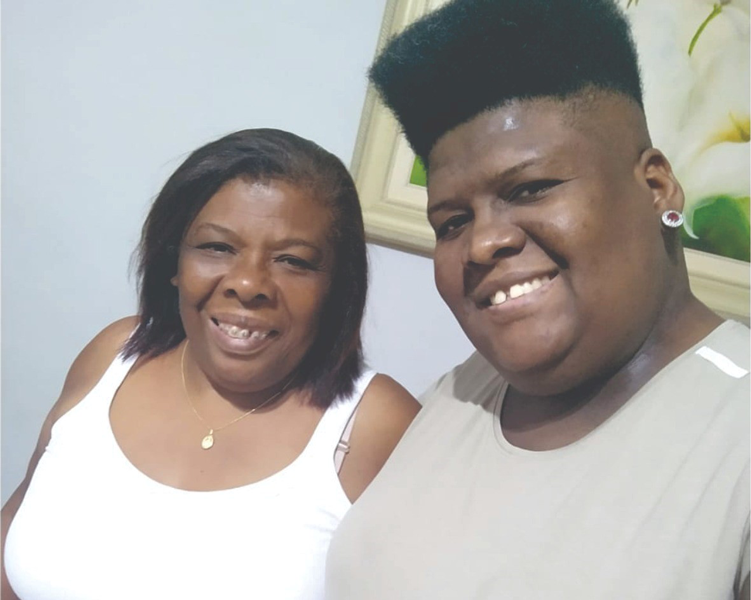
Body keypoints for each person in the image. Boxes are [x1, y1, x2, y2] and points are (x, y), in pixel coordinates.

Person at [325, 0, 750, 598]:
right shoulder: (458, 397)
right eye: (451, 222)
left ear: (656, 187)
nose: (482, 244)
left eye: (529, 189)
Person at [1, 128, 420, 600]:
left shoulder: (375, 424)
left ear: (336, 287)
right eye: (217, 248)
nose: (248, 283)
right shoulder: (114, 354)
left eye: (293, 260)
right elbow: (14, 526)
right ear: (173, 263)